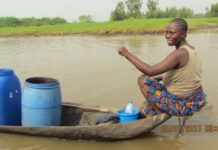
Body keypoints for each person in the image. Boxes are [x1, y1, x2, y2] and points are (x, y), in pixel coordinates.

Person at [118, 18, 206, 119]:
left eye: (172, 33)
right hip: (195, 101)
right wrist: (159, 78)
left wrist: (127, 54)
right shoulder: (192, 50)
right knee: (144, 109)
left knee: (142, 79)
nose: (168, 36)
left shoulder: (179, 54)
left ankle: (159, 112)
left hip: (180, 104)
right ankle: (147, 113)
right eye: (166, 32)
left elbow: (150, 71)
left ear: (183, 34)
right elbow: (182, 74)